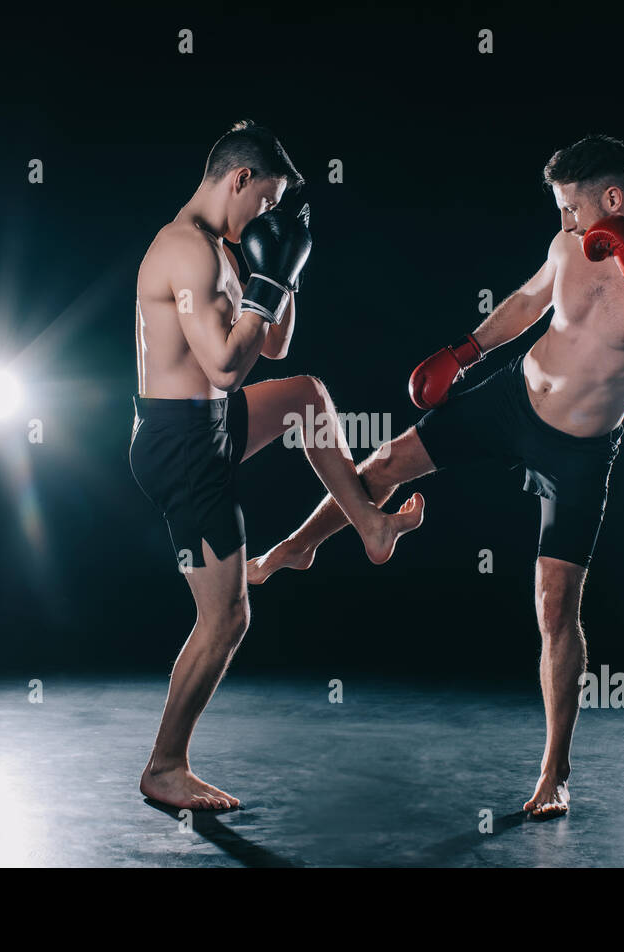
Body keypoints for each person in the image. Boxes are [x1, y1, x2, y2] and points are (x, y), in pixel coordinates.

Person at [248, 134, 624, 818]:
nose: (566, 221)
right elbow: (529, 301)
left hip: (581, 452)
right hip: (512, 399)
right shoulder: (569, 246)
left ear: (613, 199)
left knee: (555, 608)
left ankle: (554, 773)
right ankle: (300, 545)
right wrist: (466, 351)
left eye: (572, 207)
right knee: (383, 461)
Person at [129, 120, 424, 811]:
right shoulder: (183, 250)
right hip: (181, 447)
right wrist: (263, 279)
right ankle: (164, 766)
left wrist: (286, 269)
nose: (266, 216)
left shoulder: (226, 249)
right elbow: (228, 364)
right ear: (238, 180)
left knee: (306, 396)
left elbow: (277, 348)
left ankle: (368, 527)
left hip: (208, 423)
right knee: (228, 619)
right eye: (264, 202)